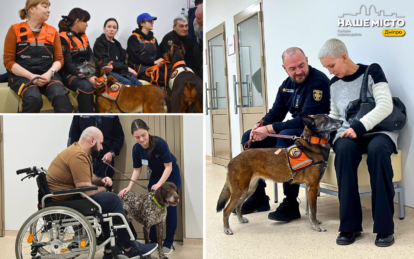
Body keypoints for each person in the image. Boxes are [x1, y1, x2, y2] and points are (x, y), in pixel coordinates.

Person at [318, 38, 397, 247]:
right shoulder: (334, 84)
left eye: (332, 66)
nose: (330, 72)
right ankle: (349, 226)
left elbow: (385, 106)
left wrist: (359, 128)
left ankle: (385, 227)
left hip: (379, 131)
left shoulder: (373, 71)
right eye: (326, 68)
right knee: (343, 150)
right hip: (349, 134)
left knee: (378, 150)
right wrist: (331, 136)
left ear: (344, 57)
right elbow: (335, 115)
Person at [240, 47, 330, 222]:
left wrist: (271, 129)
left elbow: (307, 120)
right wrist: (261, 126)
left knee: (285, 136)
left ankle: (291, 202)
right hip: (297, 129)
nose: (298, 71)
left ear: (307, 60)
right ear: (284, 68)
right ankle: (259, 198)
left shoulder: (318, 82)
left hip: (316, 133)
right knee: (247, 137)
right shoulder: (286, 85)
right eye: (293, 68)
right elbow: (276, 112)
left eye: (301, 65)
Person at [46, 127, 157, 259]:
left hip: (70, 196)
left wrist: (101, 181)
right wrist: (103, 189)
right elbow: (85, 191)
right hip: (66, 201)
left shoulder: (80, 152)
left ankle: (109, 252)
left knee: (108, 202)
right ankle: (129, 247)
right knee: (113, 199)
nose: (102, 147)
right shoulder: (77, 156)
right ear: (92, 140)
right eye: (101, 143)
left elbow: (89, 178)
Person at [119, 119, 182, 255]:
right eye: (137, 137)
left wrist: (159, 185)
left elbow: (168, 166)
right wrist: (129, 187)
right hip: (156, 173)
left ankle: (168, 243)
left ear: (148, 131)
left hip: (170, 172)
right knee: (151, 205)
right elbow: (137, 170)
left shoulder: (159, 143)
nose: (141, 139)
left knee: (169, 207)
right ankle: (153, 242)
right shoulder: (136, 149)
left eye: (143, 135)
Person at [3, 0, 73, 113]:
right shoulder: (14, 30)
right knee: (33, 99)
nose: (48, 10)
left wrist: (49, 74)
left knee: (60, 95)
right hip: (22, 76)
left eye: (48, 7)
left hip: (47, 74)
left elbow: (59, 59)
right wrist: (31, 77)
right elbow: (8, 62)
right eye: (45, 7)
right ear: (32, 9)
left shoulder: (52, 31)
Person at [58, 8, 110, 113]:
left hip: (86, 71)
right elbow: (68, 65)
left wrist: (100, 68)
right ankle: (86, 117)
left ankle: (101, 113)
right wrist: (87, 77)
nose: (87, 25)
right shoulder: (62, 38)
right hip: (69, 73)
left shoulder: (83, 36)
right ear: (77, 21)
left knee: (106, 81)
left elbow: (91, 57)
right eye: (85, 22)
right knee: (86, 87)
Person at [67, 115, 125, 191]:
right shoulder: (79, 115)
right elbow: (73, 138)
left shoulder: (112, 116)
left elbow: (119, 137)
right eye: (100, 144)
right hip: (85, 160)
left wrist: (112, 152)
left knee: (105, 195)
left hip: (105, 161)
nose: (101, 147)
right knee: (88, 193)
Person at [93, 18, 142, 85]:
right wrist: (127, 68)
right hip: (107, 72)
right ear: (104, 28)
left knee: (139, 84)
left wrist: (125, 69)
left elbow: (122, 61)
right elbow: (105, 62)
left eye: (114, 28)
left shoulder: (117, 44)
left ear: (116, 30)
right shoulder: (99, 42)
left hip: (120, 71)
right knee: (128, 84)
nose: (111, 29)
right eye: (109, 27)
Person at [126, 13, 165, 82]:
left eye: (152, 21)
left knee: (171, 73)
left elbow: (158, 54)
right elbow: (135, 57)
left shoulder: (153, 39)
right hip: (139, 69)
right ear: (142, 23)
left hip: (153, 66)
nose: (152, 23)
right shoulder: (134, 37)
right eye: (149, 21)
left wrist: (160, 61)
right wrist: (154, 62)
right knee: (164, 77)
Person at [192, 4, 203, 79]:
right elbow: (198, 38)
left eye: (198, 18)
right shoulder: (195, 23)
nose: (196, 19)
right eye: (196, 17)